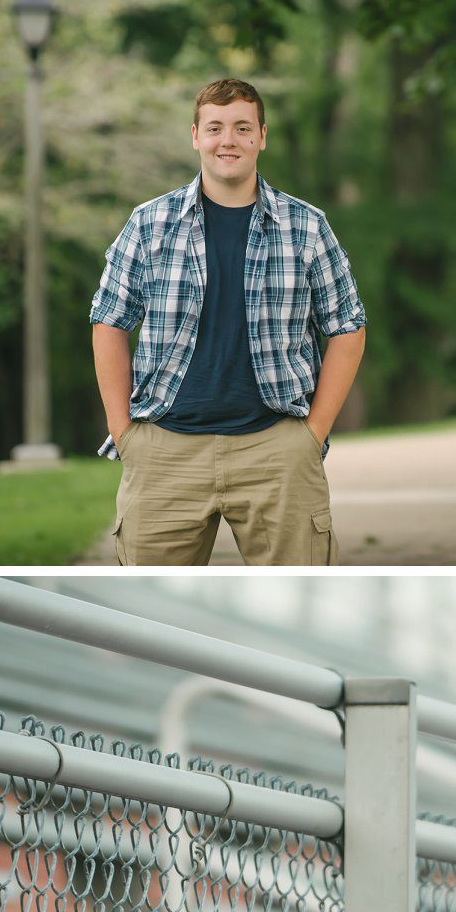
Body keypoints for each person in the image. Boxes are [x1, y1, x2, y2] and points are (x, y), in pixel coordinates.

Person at [88, 75, 367, 565]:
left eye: (242, 127)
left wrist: (312, 434)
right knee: (146, 611)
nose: (228, 140)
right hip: (165, 451)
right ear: (195, 136)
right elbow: (109, 321)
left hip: (275, 449)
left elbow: (347, 325)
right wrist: (124, 430)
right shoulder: (150, 223)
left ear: (262, 136)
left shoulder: (306, 226)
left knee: (299, 603)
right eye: (215, 128)